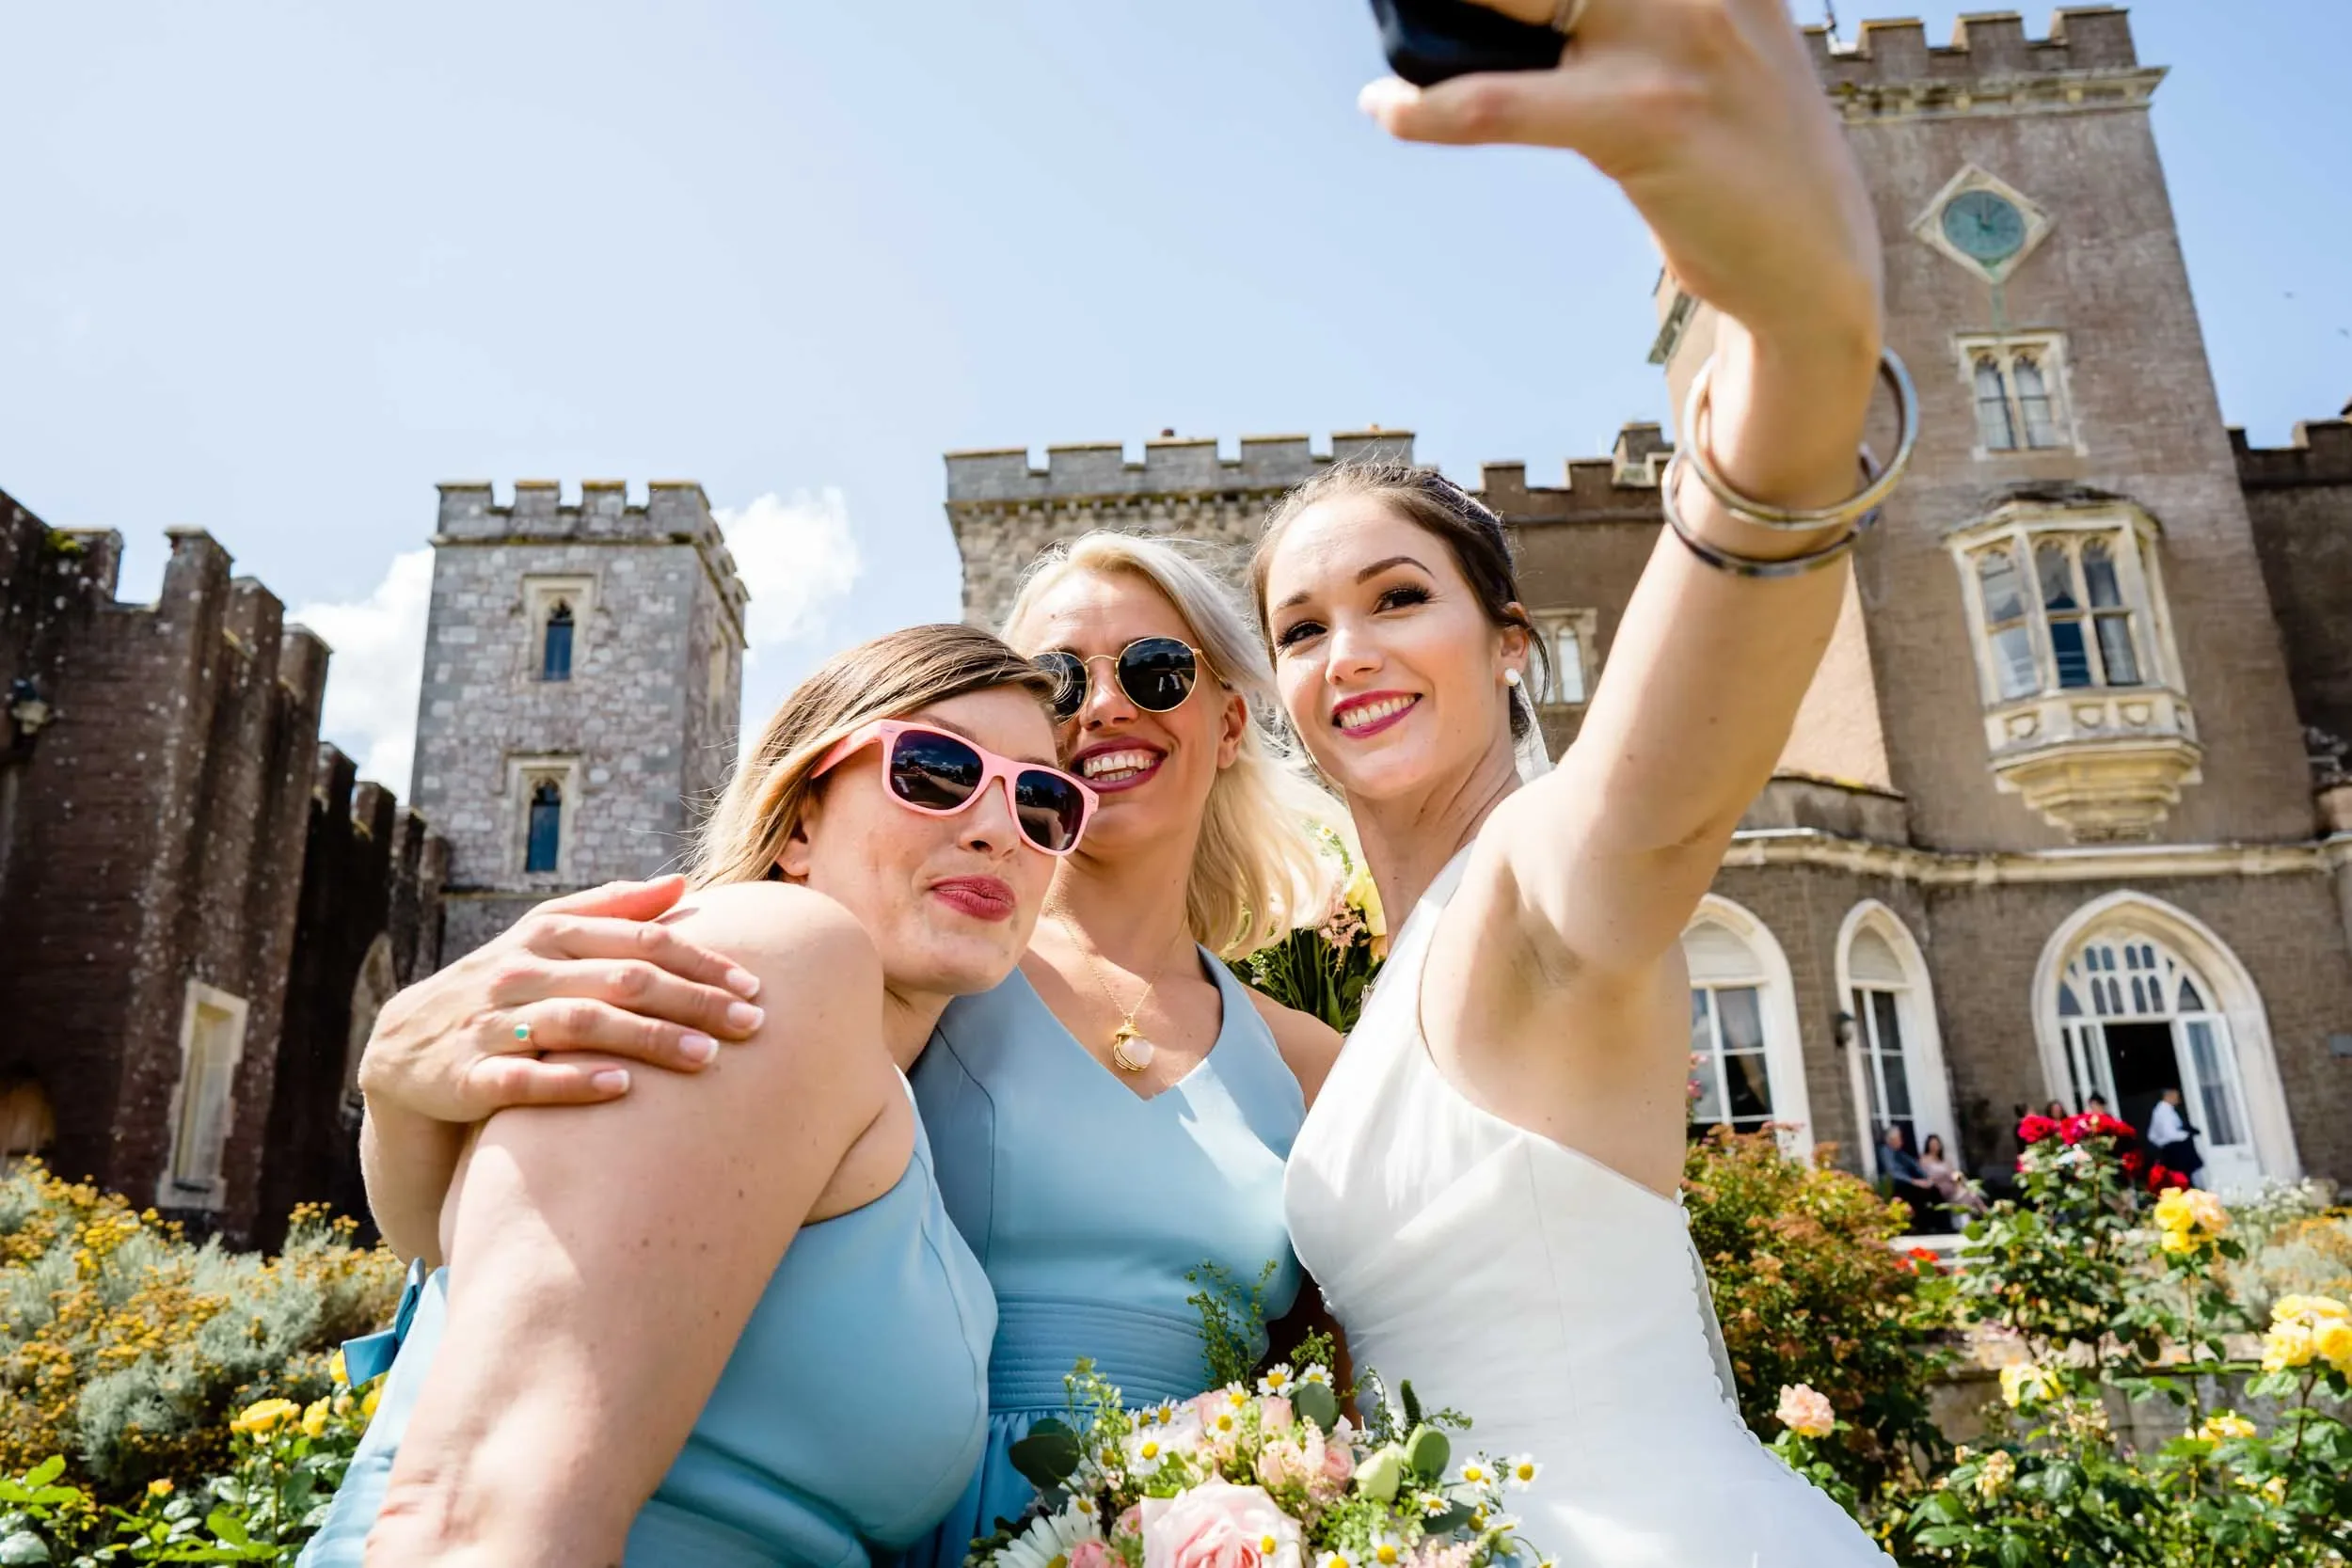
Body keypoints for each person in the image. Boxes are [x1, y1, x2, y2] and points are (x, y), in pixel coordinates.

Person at [344, 537, 1347, 1556]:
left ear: (1229, 720)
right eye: (938, 768)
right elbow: (503, 1316)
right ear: (799, 817)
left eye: (1154, 670)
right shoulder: (812, 960)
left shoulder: (952, 984)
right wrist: (399, 1092)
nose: (1097, 707)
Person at [1257, 0, 1908, 1558]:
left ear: (1512, 650)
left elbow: (1656, 779)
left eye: (1400, 598)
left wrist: (1808, 346)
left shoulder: (1538, 887)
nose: (1348, 648)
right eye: (1299, 624)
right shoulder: (1382, 983)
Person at [301, 626, 1091, 1566]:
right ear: (799, 823)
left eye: (1042, 802)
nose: (998, 827)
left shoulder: (881, 1113)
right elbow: (476, 1512)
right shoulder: (774, 952)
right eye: (931, 768)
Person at [1918, 1132, 1985, 1216]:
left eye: (1936, 1143)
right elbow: (1927, 1176)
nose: (1935, 1146)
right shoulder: (1924, 1160)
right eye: (1932, 1144)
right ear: (1928, 1145)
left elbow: (1953, 1174)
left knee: (1973, 1194)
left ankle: (1985, 1214)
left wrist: (1959, 1178)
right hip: (1942, 1192)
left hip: (1955, 1188)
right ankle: (1985, 1214)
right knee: (1972, 1197)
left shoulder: (1944, 1161)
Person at [2148, 1085, 2203, 1185]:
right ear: (2169, 1096)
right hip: (2174, 1150)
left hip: (2174, 1149)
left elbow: (2152, 1135)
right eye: (2176, 1096)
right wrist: (2186, 1134)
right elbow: (2170, 1134)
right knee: (2182, 1179)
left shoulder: (2166, 1110)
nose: (2178, 1099)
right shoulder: (2163, 1111)